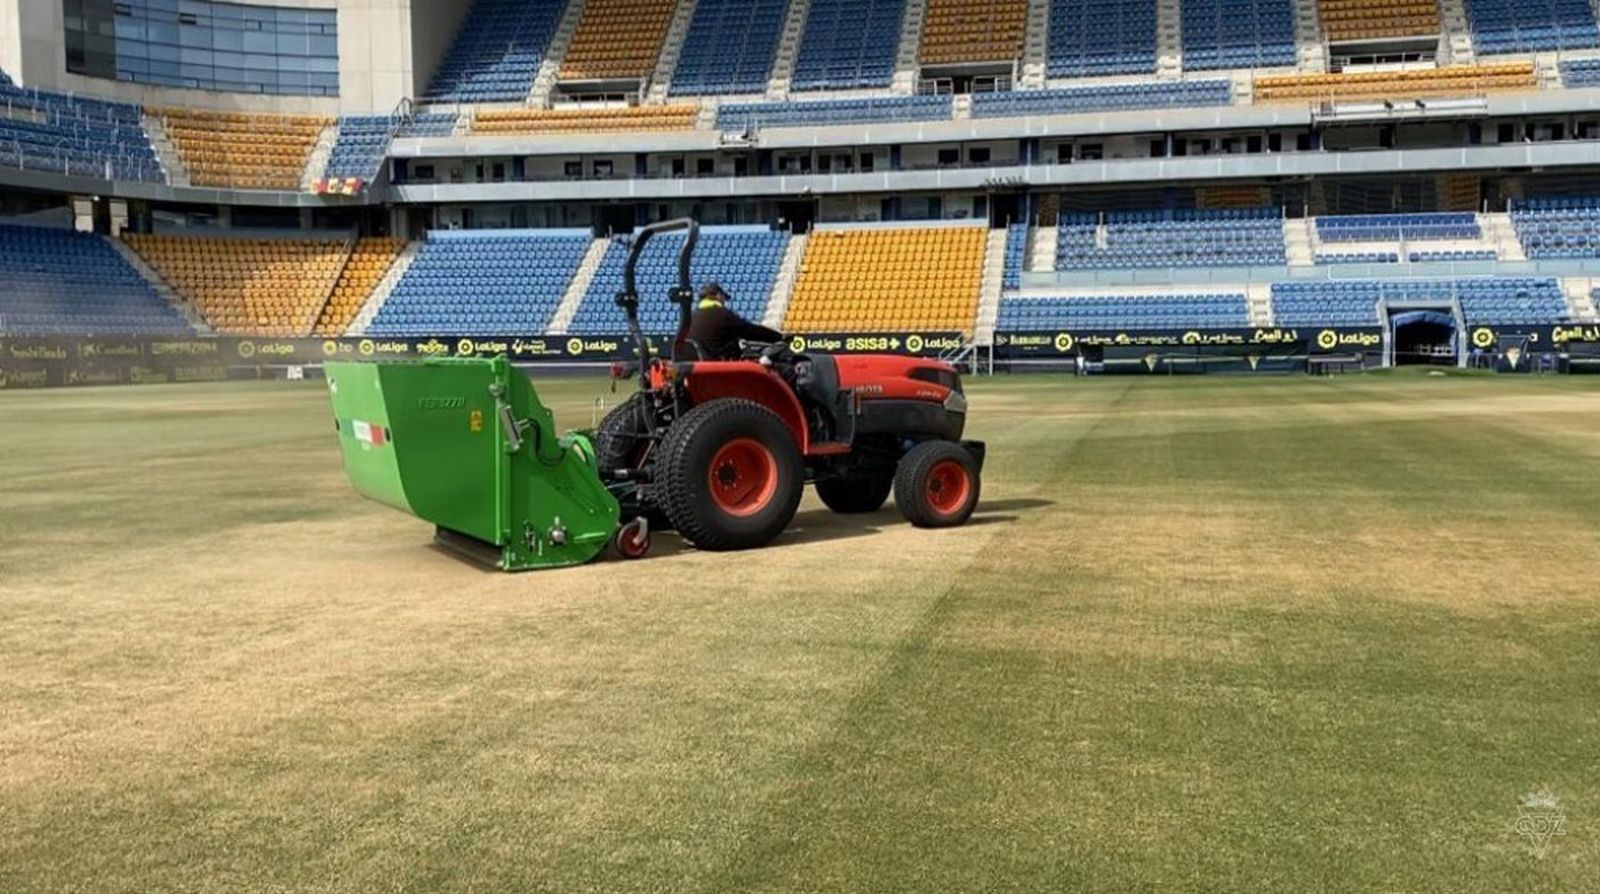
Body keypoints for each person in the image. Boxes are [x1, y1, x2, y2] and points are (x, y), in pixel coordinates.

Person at [684, 282, 783, 360]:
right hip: (722, 368)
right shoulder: (722, 315)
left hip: (698, 370)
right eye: (723, 298)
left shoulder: (689, 318)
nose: (723, 302)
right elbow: (751, 331)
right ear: (718, 296)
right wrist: (779, 337)